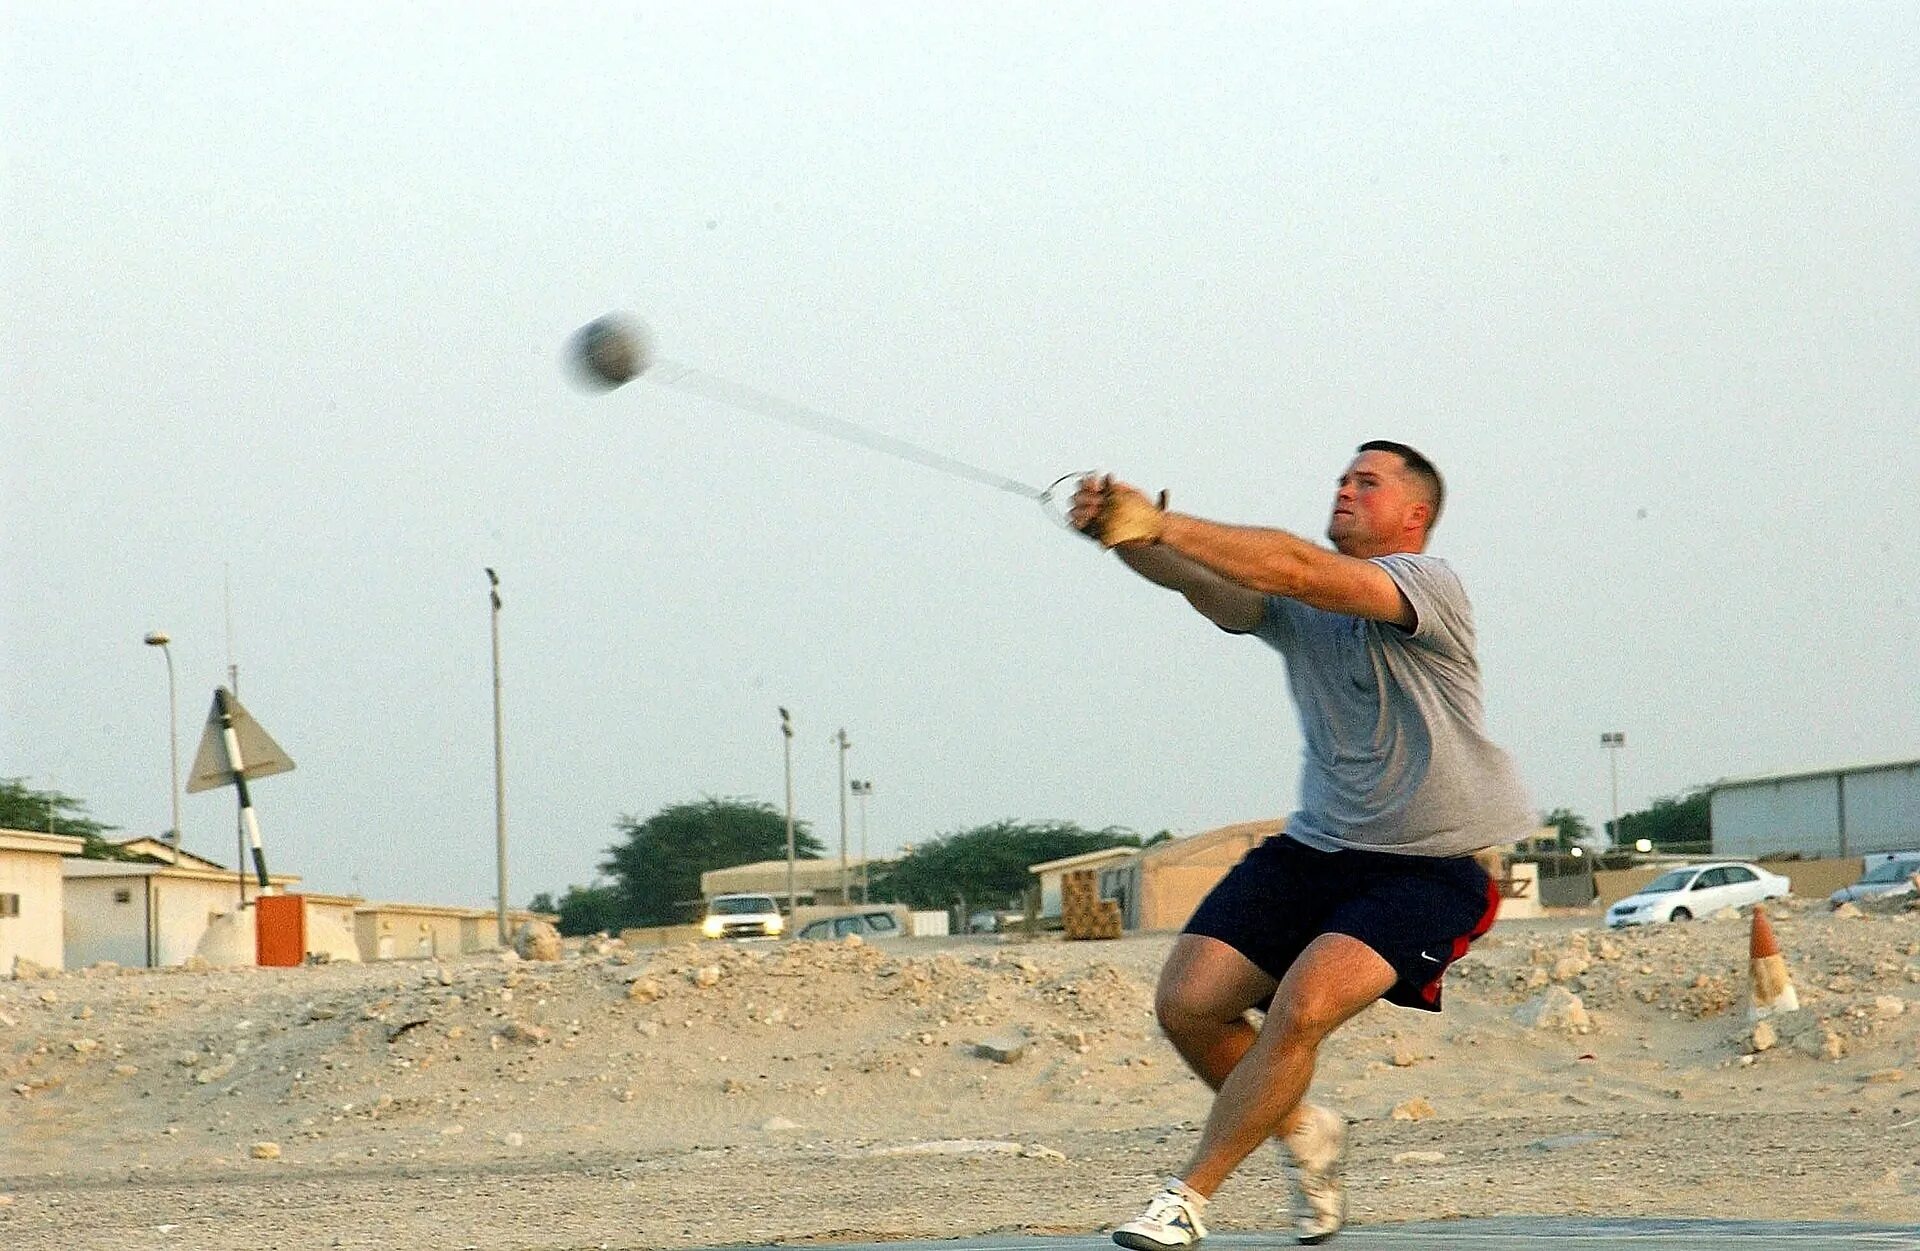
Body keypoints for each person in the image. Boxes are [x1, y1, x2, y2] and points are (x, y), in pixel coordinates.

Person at [1071, 442, 1534, 1248]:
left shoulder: (1428, 585)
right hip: (1317, 849)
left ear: (1414, 514)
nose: (1345, 489)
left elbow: (1292, 568)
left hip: (1430, 865)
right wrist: (1131, 540)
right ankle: (1304, 1130)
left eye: (1368, 482)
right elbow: (1204, 583)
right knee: (1189, 1004)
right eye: (1342, 478)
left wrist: (1165, 519)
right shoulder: (1301, 604)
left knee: (1305, 1003)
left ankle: (1188, 1197)